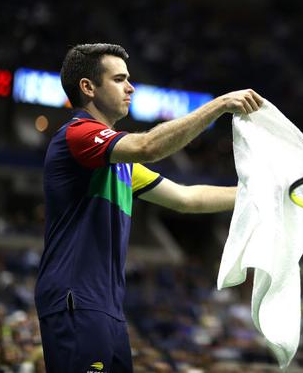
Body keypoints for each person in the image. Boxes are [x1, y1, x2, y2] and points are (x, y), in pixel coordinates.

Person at [34, 43, 263, 372]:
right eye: (119, 79)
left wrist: (263, 192)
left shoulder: (121, 165)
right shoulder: (77, 134)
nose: (131, 87)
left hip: (108, 307)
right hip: (77, 299)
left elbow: (189, 199)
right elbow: (148, 145)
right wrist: (220, 105)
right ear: (88, 87)